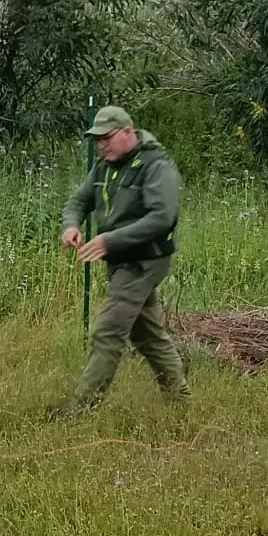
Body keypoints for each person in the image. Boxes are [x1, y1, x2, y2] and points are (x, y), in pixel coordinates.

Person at [56, 105, 189, 413]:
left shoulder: (157, 166)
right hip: (120, 260)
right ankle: (180, 404)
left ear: (128, 132)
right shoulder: (104, 167)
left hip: (144, 261)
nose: (101, 145)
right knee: (149, 336)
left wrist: (108, 240)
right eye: (97, 140)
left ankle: (80, 410)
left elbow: (162, 218)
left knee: (107, 331)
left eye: (107, 138)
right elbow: (78, 201)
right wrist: (71, 225)